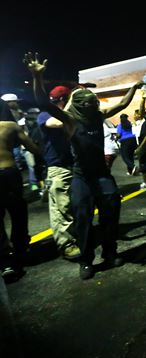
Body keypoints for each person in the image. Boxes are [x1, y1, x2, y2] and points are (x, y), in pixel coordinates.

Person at [25, 52, 142, 280]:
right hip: (82, 177)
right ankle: (86, 261)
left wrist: (135, 89)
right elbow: (42, 103)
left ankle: (110, 253)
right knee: (83, 219)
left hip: (102, 175)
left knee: (111, 213)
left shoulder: (98, 116)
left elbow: (124, 103)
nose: (91, 104)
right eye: (86, 102)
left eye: (92, 101)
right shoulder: (69, 120)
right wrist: (37, 77)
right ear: (77, 105)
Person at [37, 85, 81, 259]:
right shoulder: (45, 114)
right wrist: (72, 100)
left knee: (66, 206)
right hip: (57, 167)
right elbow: (58, 122)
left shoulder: (64, 113)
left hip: (70, 165)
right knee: (62, 208)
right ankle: (67, 244)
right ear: (63, 101)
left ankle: (69, 240)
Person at [0, 99, 40, 279]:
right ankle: (21, 248)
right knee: (17, 212)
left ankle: (6, 261)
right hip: (8, 172)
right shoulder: (10, 125)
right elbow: (31, 146)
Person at [133, 93, 146, 189]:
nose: (135, 115)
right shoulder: (136, 124)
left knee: (143, 163)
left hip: (145, 145)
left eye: (136, 114)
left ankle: (145, 182)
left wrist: (140, 148)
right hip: (141, 145)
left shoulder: (144, 123)